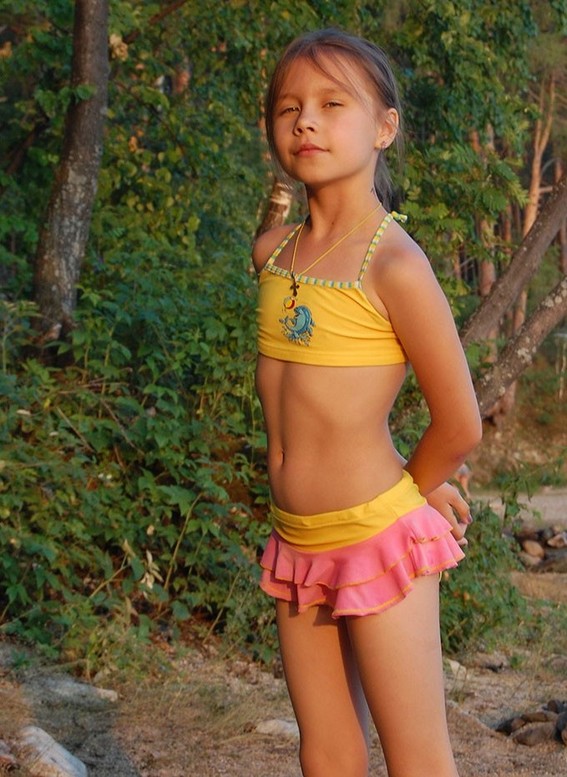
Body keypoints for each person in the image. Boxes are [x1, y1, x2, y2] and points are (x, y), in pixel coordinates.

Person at [252, 28, 482, 777]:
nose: (306, 122)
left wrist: (410, 490)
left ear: (384, 127)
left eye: (332, 104)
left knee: (416, 760)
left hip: (377, 538)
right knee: (326, 753)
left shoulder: (395, 263)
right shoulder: (273, 253)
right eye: (288, 108)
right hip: (296, 538)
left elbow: (460, 423)